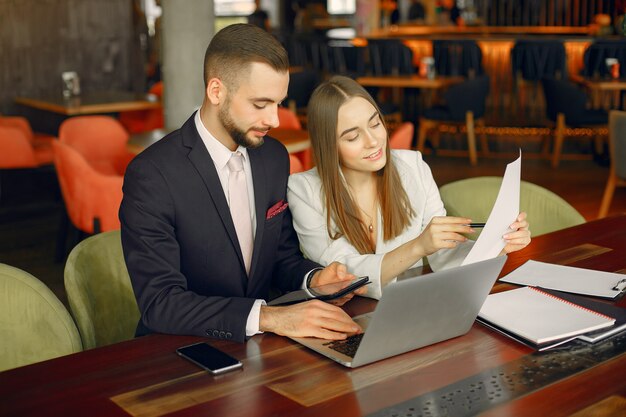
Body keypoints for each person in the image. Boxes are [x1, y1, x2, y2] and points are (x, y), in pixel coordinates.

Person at [120, 24, 365, 344]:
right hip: (179, 350)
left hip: (262, 347)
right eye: (260, 104)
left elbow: (281, 258)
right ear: (216, 91)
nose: (274, 120)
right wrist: (269, 317)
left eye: (278, 103)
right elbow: (161, 303)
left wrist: (314, 279)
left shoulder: (274, 156)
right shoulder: (152, 174)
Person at [287, 76, 531, 300]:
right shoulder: (304, 190)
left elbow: (443, 256)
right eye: (353, 137)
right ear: (328, 145)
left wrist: (496, 246)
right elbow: (342, 275)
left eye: (375, 124)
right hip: (346, 316)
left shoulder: (412, 166)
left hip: (409, 306)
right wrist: (418, 246)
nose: (373, 141)